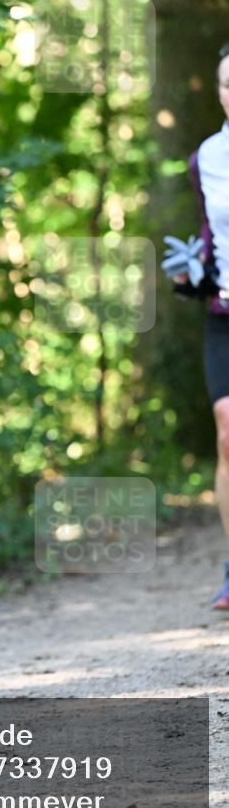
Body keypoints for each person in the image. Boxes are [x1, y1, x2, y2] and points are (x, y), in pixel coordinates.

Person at [174, 43, 229, 611]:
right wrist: (192, 273)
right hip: (226, 313)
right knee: (227, 428)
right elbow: (209, 241)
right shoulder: (206, 157)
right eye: (226, 84)